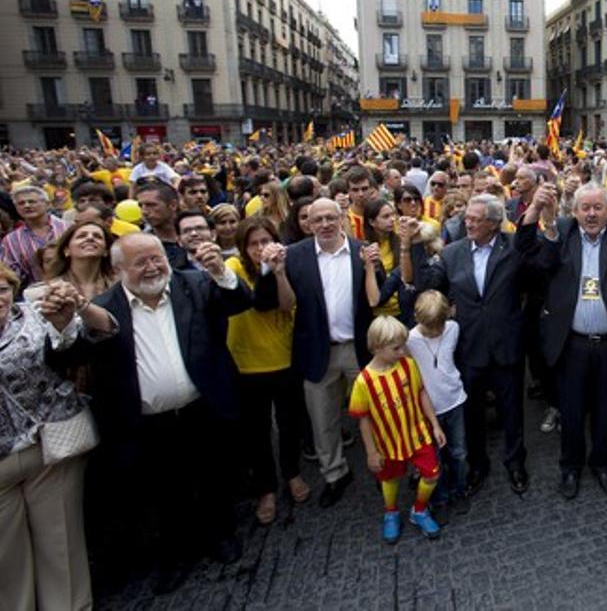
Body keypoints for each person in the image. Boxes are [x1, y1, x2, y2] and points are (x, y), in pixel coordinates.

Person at [62, 234, 254, 594]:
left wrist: (219, 271)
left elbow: (240, 301)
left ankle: (221, 535)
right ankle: (175, 555)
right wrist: (63, 322)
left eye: (157, 258)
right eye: (141, 262)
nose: (153, 267)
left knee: (213, 475)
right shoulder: (102, 308)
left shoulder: (195, 285)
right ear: (118, 269)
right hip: (146, 422)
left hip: (203, 408)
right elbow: (67, 358)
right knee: (163, 491)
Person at [516, 180, 607, 499]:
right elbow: (524, 249)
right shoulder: (562, 230)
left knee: (606, 409)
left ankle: (602, 463)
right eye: (585, 208)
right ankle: (570, 467)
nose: (591, 214)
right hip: (571, 342)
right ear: (574, 210)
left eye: (597, 207)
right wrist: (536, 208)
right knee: (572, 408)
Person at [421, 194, 531, 495]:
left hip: (506, 344)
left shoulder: (513, 247)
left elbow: (535, 279)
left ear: (494, 223)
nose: (466, 223)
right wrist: (414, 248)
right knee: (472, 413)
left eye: (475, 219)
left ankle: (515, 463)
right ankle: (478, 466)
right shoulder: (453, 252)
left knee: (512, 411)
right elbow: (429, 284)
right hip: (470, 347)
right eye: (466, 217)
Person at [0, 265, 93, 611]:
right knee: (6, 558)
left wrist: (64, 325)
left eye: (3, 289)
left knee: (60, 541)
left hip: (51, 445)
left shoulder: (35, 317)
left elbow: (71, 352)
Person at [277, 198, 373, 508]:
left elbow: (376, 296)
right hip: (317, 353)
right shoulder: (294, 256)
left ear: (342, 217)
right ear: (308, 223)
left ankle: (386, 462)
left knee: (376, 412)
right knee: (323, 421)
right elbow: (284, 304)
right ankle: (334, 474)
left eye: (331, 218)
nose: (325, 225)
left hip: (359, 349)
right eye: (317, 219)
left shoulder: (362, 251)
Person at [226, 217, 309, 525]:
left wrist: (278, 272)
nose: (261, 249)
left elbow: (287, 305)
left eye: (265, 242)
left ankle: (292, 473)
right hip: (246, 364)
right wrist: (262, 271)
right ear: (243, 247)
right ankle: (266, 489)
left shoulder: (283, 265)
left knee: (289, 425)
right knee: (257, 431)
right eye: (253, 244)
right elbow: (255, 304)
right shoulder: (234, 268)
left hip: (283, 358)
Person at [350, 316, 445, 542]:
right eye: (396, 348)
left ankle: (419, 510)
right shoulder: (363, 382)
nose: (403, 351)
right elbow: (363, 420)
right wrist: (372, 452)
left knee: (432, 474)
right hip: (388, 443)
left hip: (417, 435)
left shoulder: (409, 365)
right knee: (390, 479)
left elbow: (421, 393)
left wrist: (434, 424)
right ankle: (391, 512)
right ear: (377, 347)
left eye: (403, 345)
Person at [406, 290, 468, 524]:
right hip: (427, 410)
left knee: (459, 453)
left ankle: (459, 489)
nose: (436, 332)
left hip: (454, 401)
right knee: (434, 460)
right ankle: (439, 499)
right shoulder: (409, 340)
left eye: (439, 326)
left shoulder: (452, 328)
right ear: (418, 319)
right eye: (431, 327)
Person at [2, 185, 68, 288]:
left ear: (47, 204)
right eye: (21, 203)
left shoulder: (67, 228)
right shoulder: (11, 240)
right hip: (33, 295)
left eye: (32, 201)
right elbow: (10, 275)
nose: (27, 206)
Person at [135, 180, 188, 270]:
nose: (144, 211)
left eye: (151, 205)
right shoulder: (140, 245)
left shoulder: (195, 235)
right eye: (141, 206)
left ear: (173, 205)